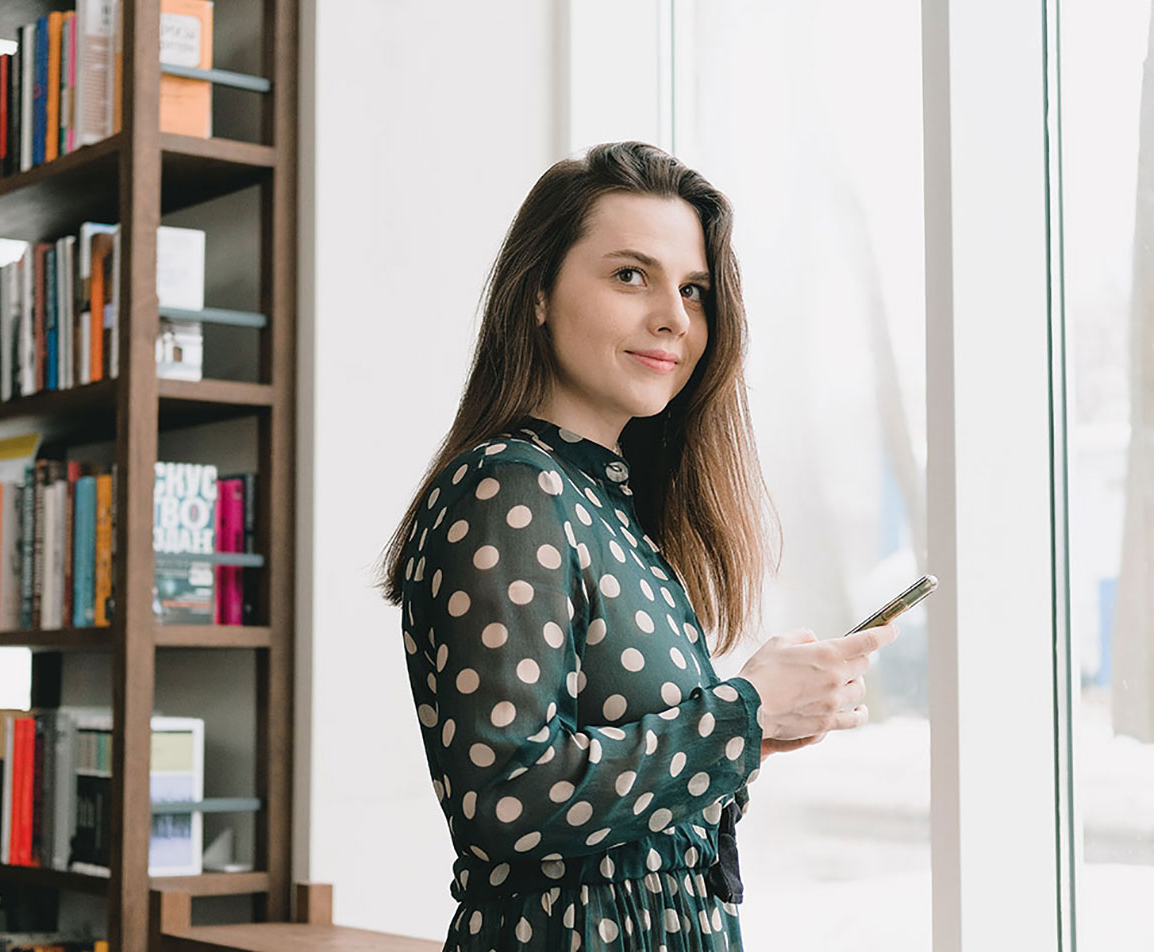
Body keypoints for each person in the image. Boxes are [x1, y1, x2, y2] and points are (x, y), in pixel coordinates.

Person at [374, 141, 899, 951]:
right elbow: (504, 803)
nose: (675, 318)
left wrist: (760, 721)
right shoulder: (513, 489)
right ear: (539, 293)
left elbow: (628, 798)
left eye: (693, 289)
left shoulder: (606, 502)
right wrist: (741, 718)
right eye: (631, 275)